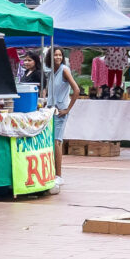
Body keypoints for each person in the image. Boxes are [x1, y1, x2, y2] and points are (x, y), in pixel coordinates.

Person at [45, 46, 78, 174]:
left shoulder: (64, 70)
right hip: (50, 109)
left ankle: (58, 175)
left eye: (60, 55)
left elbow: (76, 90)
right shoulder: (51, 71)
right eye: (55, 55)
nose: (58, 57)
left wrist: (67, 109)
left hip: (60, 111)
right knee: (52, 141)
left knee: (56, 141)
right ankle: (52, 172)